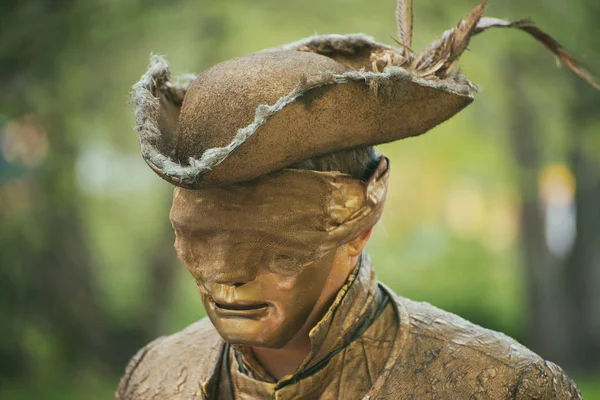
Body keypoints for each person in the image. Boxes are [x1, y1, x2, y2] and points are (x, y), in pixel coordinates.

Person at [117, 0, 597, 398]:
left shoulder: (500, 388)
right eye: (198, 236)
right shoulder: (153, 380)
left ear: (360, 216)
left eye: (270, 239)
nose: (226, 273)